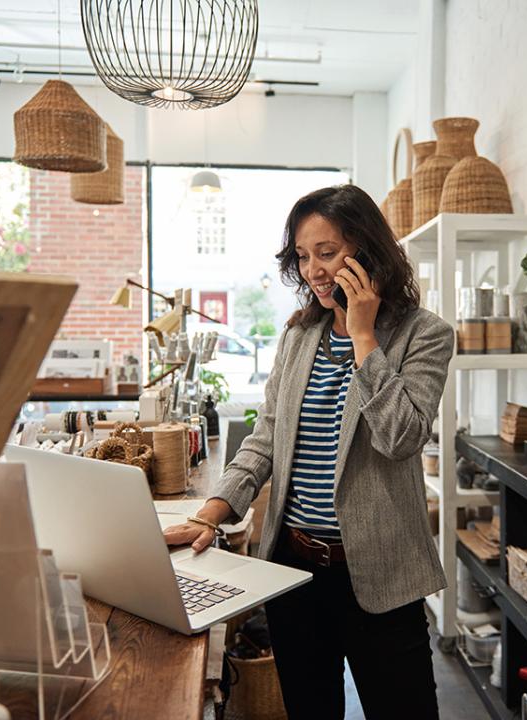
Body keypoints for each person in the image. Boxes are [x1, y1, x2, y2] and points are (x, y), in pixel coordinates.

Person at [163, 184, 453, 719]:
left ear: (367, 252)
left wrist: (364, 338)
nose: (314, 270)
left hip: (382, 576)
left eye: (327, 252)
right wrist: (214, 510)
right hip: (294, 573)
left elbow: (401, 438)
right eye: (303, 255)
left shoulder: (423, 334)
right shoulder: (299, 338)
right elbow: (265, 438)